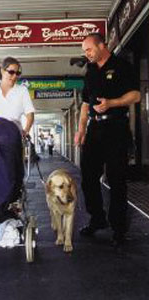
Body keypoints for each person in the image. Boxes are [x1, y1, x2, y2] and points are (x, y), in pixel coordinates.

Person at [74, 33, 141, 248]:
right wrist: (81, 128)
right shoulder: (90, 71)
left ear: (102, 46)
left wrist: (112, 103)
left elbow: (136, 96)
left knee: (116, 179)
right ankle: (97, 218)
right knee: (88, 176)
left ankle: (119, 229)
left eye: (89, 49)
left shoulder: (122, 66)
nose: (87, 54)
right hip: (95, 129)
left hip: (116, 127)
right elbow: (85, 103)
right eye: (85, 51)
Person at [0, 56, 35, 136]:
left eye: (17, 73)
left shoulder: (22, 91)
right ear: (2, 71)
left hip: (13, 136)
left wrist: (26, 131)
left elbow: (30, 114)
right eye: (11, 72)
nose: (14, 76)